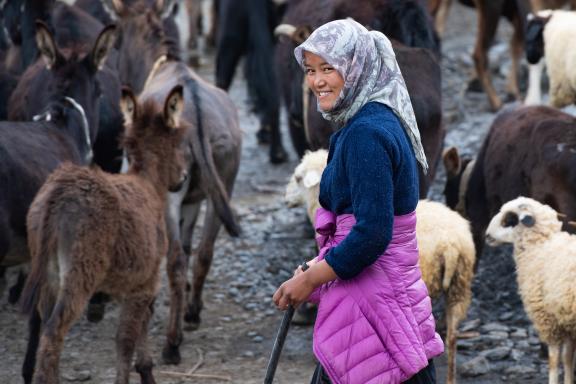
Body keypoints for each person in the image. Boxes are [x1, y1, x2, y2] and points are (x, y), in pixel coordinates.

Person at [272, 19, 444, 384]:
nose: (317, 81)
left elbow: (371, 233)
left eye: (329, 68)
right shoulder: (373, 120)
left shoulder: (366, 134)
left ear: (357, 66)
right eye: (310, 70)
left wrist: (311, 279)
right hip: (384, 290)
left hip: (374, 296)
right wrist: (312, 270)